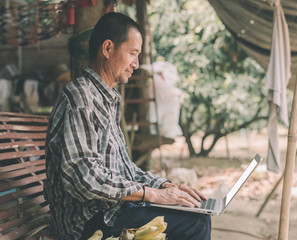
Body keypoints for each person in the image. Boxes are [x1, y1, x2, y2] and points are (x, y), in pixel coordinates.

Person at [44, 12, 211, 240]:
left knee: (194, 211)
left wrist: (164, 186)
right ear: (107, 49)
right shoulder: (80, 98)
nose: (136, 64)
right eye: (132, 53)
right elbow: (83, 177)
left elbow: (126, 169)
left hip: (111, 211)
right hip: (86, 222)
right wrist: (150, 195)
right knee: (195, 223)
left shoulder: (106, 98)